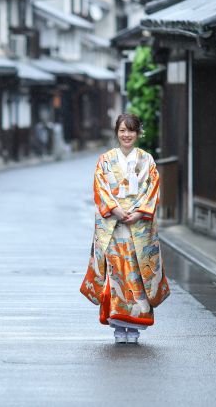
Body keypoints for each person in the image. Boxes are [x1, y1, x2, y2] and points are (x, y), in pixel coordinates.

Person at [80, 112, 170, 343]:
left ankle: (136, 326)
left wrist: (139, 212)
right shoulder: (105, 160)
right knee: (118, 274)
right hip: (114, 224)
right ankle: (119, 326)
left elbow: (153, 189)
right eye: (122, 130)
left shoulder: (147, 160)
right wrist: (117, 210)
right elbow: (100, 188)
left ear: (138, 132)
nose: (126, 135)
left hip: (139, 225)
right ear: (117, 133)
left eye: (131, 130)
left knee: (138, 273)